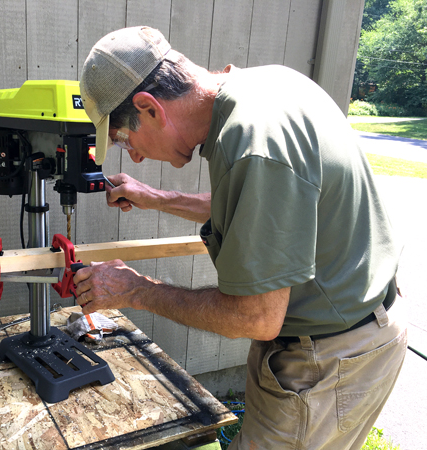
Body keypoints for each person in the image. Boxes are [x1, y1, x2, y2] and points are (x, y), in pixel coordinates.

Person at [75, 26, 407, 450]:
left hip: (329, 359)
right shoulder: (267, 85)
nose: (135, 155)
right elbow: (268, 208)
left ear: (149, 107)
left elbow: (255, 317)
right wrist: (158, 199)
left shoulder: (250, 142)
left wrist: (136, 290)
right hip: (356, 330)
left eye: (124, 139)